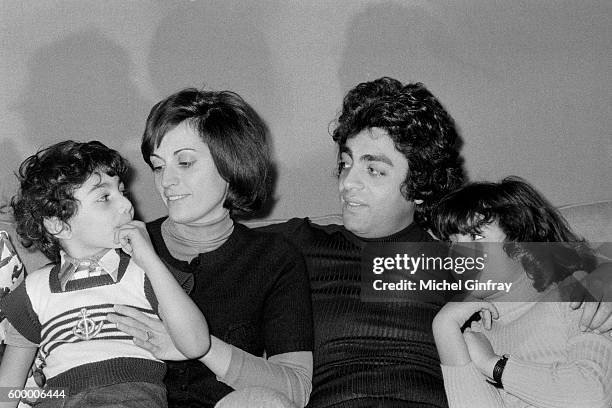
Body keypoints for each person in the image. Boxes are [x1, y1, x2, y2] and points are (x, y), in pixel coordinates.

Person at [112, 77, 612, 407]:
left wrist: (597, 280)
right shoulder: (296, 246)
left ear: (418, 184)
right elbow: (208, 240)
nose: (348, 182)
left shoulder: (455, 254)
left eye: (374, 169)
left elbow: (567, 259)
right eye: (347, 163)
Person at [107, 88, 313, 408]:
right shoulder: (126, 245)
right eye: (159, 166)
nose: (166, 182)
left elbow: (296, 390)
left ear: (230, 165)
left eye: (185, 163)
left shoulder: (273, 259)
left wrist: (201, 348)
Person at [0, 140, 210, 408]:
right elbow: (8, 389)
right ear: (59, 224)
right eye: (104, 197)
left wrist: (151, 261)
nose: (126, 205)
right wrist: (46, 397)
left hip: (128, 396)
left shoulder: (144, 272)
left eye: (122, 192)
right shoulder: (34, 289)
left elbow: (196, 345)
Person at [431, 176, 612, 407]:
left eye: (476, 235)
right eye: (451, 242)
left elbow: (593, 397)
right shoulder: (473, 333)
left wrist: (493, 365)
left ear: (521, 240)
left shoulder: (576, 291)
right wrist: (444, 327)